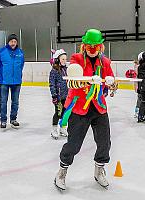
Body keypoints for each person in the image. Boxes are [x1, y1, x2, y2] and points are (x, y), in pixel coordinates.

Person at [54, 29, 115, 190]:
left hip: (99, 108)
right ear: (84, 46)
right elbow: (72, 83)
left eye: (95, 46)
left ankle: (99, 170)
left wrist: (111, 82)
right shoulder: (76, 59)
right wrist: (89, 81)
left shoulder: (106, 62)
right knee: (74, 144)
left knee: (104, 142)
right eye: (89, 45)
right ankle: (62, 171)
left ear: (100, 46)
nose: (92, 49)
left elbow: (113, 87)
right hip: (79, 107)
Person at [0, 33, 25, 129]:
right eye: (11, 41)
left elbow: (21, 64)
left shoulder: (20, 52)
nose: (13, 43)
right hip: (4, 81)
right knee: (3, 102)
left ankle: (13, 119)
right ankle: (3, 120)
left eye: (15, 41)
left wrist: (18, 73)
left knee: (15, 102)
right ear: (8, 42)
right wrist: (0, 72)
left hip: (16, 81)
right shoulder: (1, 51)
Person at [49, 49, 68, 139]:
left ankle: (63, 128)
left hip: (67, 96)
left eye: (65, 59)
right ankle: (54, 129)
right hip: (58, 97)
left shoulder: (66, 69)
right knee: (58, 113)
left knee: (65, 113)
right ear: (57, 60)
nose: (65, 61)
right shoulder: (54, 71)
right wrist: (54, 95)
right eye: (63, 59)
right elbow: (52, 84)